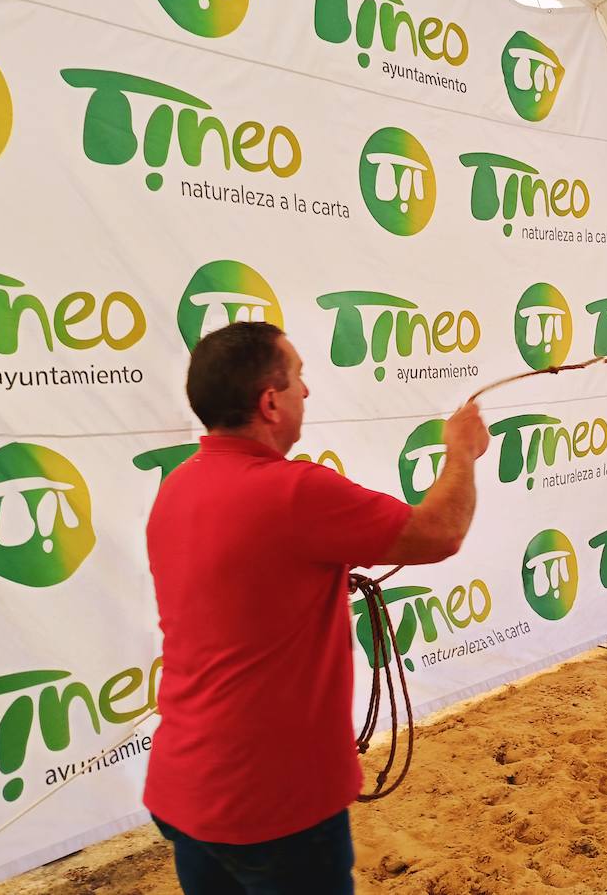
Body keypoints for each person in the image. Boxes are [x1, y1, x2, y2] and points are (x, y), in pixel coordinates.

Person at [144, 321, 489, 894]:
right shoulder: (295, 492)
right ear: (270, 402)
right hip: (274, 806)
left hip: (184, 793)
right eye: (299, 376)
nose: (308, 390)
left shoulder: (177, 486)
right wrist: (461, 451)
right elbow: (440, 532)